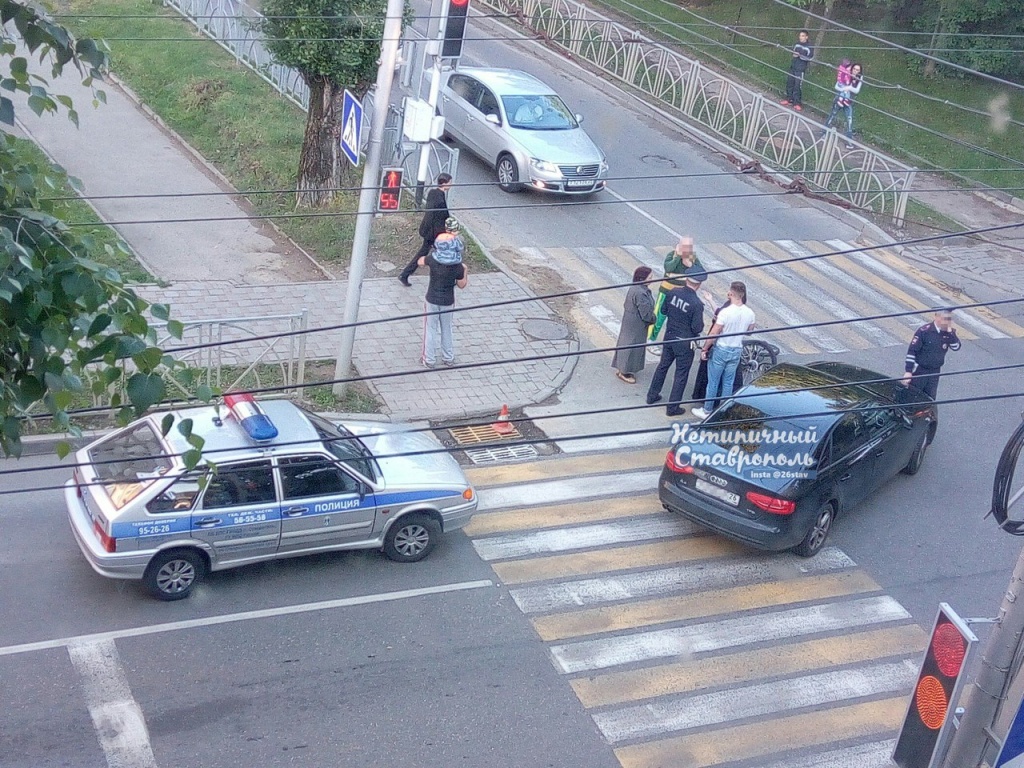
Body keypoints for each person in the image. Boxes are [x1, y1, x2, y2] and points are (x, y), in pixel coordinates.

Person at [646, 267, 706, 417]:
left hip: (669, 337)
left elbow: (664, 311)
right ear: (698, 285)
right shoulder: (696, 304)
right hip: (685, 343)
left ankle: (652, 395)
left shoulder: (672, 292)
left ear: (686, 280)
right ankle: (672, 407)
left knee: (663, 366)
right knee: (681, 374)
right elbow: (697, 327)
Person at [692, 281, 755, 420]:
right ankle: (725, 410)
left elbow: (714, 333)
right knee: (728, 382)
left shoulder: (726, 312)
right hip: (736, 350)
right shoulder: (749, 313)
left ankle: (707, 410)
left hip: (721, 349)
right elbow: (750, 331)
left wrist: (705, 348)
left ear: (730, 293)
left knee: (713, 381)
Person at [418, 218, 468, 368]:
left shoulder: (433, 259)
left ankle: (429, 359)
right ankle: (448, 357)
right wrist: (465, 271)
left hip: (432, 299)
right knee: (447, 329)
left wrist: (426, 258)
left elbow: (421, 262)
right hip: (448, 301)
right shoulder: (457, 266)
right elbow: (462, 285)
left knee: (430, 329)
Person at [648, 236, 703, 354]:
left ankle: (672, 342)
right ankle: (650, 340)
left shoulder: (692, 257)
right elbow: (668, 268)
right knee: (659, 317)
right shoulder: (672, 255)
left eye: (690, 247)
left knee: (679, 320)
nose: (688, 250)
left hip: (682, 295)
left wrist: (690, 266)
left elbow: (701, 271)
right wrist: (678, 257)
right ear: (680, 246)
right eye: (686, 247)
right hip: (666, 292)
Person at [399, 173, 452, 286]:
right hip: (435, 233)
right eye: (449, 183)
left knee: (433, 253)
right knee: (444, 254)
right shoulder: (440, 200)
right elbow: (441, 217)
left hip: (429, 230)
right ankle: (446, 278)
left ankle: (405, 274)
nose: (450, 185)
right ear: (444, 183)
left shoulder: (433, 193)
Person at [901, 309, 960, 400]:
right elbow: (912, 351)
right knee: (913, 396)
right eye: (945, 319)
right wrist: (908, 371)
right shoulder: (924, 331)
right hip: (920, 371)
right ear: (937, 317)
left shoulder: (948, 333)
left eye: (949, 319)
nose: (947, 321)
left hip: (935, 371)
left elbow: (956, 347)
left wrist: (951, 334)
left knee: (930, 398)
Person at [612, 266, 657, 384]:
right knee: (632, 346)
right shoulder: (641, 293)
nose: (652, 279)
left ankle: (622, 367)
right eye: (650, 277)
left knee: (626, 343)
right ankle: (625, 371)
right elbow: (646, 314)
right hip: (637, 325)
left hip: (630, 321)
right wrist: (654, 319)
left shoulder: (635, 288)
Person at [824, 62, 864, 149]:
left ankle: (849, 141)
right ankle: (824, 133)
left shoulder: (860, 78)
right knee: (832, 115)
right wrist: (844, 89)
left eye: (858, 70)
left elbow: (856, 90)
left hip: (849, 102)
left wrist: (849, 88)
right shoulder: (846, 74)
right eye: (854, 69)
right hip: (840, 98)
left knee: (849, 121)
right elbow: (836, 86)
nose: (855, 71)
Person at [780, 30, 814, 111]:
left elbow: (810, 58)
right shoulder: (797, 44)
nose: (801, 37)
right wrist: (794, 55)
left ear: (806, 37)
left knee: (797, 86)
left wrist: (800, 56)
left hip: (801, 69)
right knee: (790, 83)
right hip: (793, 66)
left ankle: (797, 103)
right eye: (800, 36)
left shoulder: (809, 47)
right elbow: (793, 52)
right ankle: (789, 99)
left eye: (802, 36)